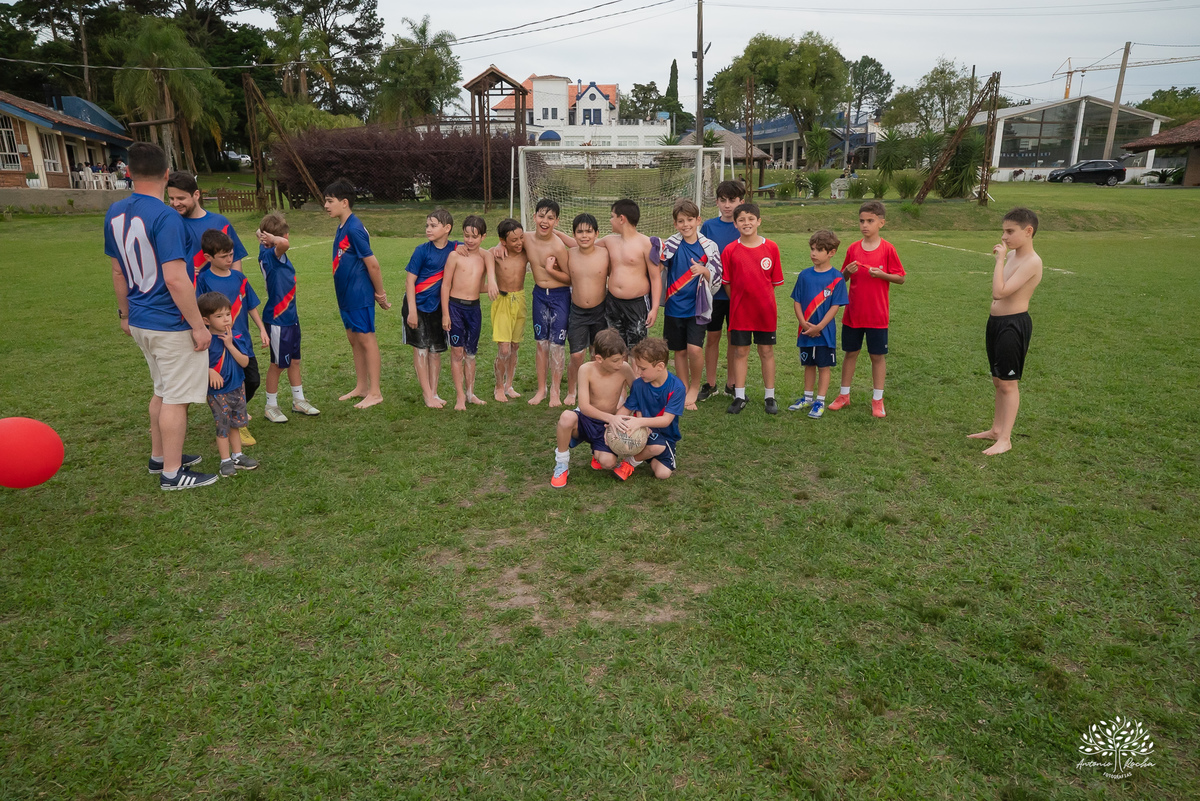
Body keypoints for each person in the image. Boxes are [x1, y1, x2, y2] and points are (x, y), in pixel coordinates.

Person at [104, 141, 216, 490]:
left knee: (163, 390)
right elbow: (175, 277)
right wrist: (198, 325)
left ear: (128, 173)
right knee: (176, 397)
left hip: (139, 318)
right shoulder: (166, 216)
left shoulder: (114, 213)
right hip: (168, 322)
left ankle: (160, 457)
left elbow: (118, 272)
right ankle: (172, 474)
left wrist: (124, 314)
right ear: (167, 175)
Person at [969, 207, 1043, 456]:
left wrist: (1000, 260)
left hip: (1013, 325)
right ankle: (996, 430)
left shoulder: (1032, 262)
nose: (1004, 237)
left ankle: (1006, 439)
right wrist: (1004, 259)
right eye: (1003, 231)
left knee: (1009, 384)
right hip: (996, 324)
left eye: (1010, 232)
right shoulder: (1013, 257)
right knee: (998, 380)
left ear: (1028, 231)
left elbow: (999, 292)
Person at [829, 200, 906, 418]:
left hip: (877, 316)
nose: (865, 225)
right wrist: (847, 273)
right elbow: (840, 280)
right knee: (850, 353)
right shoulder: (853, 248)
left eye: (870, 221)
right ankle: (844, 395)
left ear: (881, 223)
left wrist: (882, 275)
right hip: (853, 314)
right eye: (862, 221)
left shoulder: (888, 249)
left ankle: (877, 399)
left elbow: (900, 278)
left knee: (877, 356)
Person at [195, 229, 269, 446]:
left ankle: (237, 411)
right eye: (224, 256)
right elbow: (199, 311)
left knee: (252, 380)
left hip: (241, 342)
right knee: (227, 385)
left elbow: (251, 305)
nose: (230, 260)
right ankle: (238, 422)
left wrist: (262, 330)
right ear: (208, 258)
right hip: (218, 346)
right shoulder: (204, 280)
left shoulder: (239, 278)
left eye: (231, 255)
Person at [325, 178, 390, 409]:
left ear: (344, 202)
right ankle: (362, 386)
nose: (326, 205)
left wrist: (380, 294)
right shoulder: (342, 226)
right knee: (354, 340)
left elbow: (373, 264)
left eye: (330, 201)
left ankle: (375, 392)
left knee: (366, 339)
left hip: (358, 294)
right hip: (344, 295)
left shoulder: (354, 228)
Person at [255, 212, 320, 423]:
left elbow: (270, 238)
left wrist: (263, 235)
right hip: (278, 319)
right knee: (278, 364)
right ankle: (270, 405)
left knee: (294, 361)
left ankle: (298, 400)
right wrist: (274, 239)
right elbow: (283, 243)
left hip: (290, 317)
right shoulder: (272, 255)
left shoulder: (266, 249)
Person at [720, 202, 783, 415]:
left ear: (758, 221)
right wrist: (738, 300)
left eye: (750, 219)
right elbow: (726, 282)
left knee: (766, 351)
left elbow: (773, 282)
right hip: (740, 312)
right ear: (736, 224)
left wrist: (760, 299)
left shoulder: (771, 247)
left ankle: (770, 396)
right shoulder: (730, 250)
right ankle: (739, 396)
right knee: (740, 352)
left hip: (765, 311)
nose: (746, 223)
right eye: (741, 220)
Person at [551, 328, 635, 488]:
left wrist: (625, 414)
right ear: (599, 358)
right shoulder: (586, 370)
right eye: (615, 360)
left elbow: (638, 394)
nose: (620, 363)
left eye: (622, 358)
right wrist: (611, 418)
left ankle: (597, 453)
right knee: (566, 417)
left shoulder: (624, 368)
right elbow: (584, 406)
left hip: (606, 426)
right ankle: (561, 464)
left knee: (608, 463)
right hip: (585, 419)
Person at [660, 199, 722, 410]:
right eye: (680, 221)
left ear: (698, 220)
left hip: (698, 308)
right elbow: (658, 265)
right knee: (679, 351)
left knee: (695, 349)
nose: (686, 225)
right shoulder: (670, 245)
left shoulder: (709, 247)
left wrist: (705, 271)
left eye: (689, 220)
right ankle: (683, 387)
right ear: (675, 224)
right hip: (674, 306)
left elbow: (717, 278)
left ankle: (695, 386)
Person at [197, 291, 259, 478]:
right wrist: (209, 370)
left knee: (236, 423)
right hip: (217, 393)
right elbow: (194, 364)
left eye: (227, 314)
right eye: (219, 316)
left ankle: (237, 455)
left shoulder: (237, 336)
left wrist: (230, 345)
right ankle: (225, 460)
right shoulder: (204, 341)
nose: (225, 319)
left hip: (237, 388)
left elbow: (245, 363)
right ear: (206, 321)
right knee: (222, 425)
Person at [788, 229, 848, 419]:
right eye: (812, 249)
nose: (813, 253)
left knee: (823, 366)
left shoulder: (837, 278)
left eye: (819, 250)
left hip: (824, 333)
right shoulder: (804, 275)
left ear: (831, 252)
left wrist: (819, 326)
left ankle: (820, 401)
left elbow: (835, 306)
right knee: (808, 365)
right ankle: (807, 398)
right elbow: (796, 300)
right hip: (805, 331)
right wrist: (803, 323)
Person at [403, 208, 460, 408]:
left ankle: (434, 393)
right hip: (416, 306)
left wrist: (497, 249)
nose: (428, 229)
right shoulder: (421, 251)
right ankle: (427, 395)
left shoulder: (455, 248)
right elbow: (409, 282)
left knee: (435, 351)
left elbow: (476, 248)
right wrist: (411, 311)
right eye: (427, 225)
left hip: (438, 308)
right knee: (421, 349)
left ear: (447, 228)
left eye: (433, 225)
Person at [441, 215, 498, 410]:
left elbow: (490, 275)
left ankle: (470, 393)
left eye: (474, 236)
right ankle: (459, 397)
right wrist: (445, 314)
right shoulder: (455, 256)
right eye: (466, 236)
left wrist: (492, 282)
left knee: (471, 353)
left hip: (474, 309)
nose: (470, 240)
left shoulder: (486, 256)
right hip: (455, 308)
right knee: (457, 352)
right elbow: (445, 285)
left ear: (483, 237)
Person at [611, 337, 686, 481]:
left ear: (660, 366)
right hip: (642, 434)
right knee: (656, 448)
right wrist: (614, 422)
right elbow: (626, 409)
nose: (638, 372)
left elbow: (666, 420)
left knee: (662, 473)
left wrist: (640, 422)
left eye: (643, 368)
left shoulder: (677, 388)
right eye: (637, 367)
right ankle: (630, 463)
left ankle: (639, 456)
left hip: (665, 437)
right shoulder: (639, 385)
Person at [520, 199, 572, 407]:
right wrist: (498, 246)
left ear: (556, 222)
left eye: (550, 218)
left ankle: (555, 392)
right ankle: (542, 389)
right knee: (541, 343)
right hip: (539, 295)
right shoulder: (526, 239)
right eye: (541, 216)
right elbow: (507, 241)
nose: (544, 221)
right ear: (534, 217)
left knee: (557, 345)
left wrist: (551, 271)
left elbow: (570, 278)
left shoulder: (558, 247)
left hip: (560, 296)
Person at [699, 179, 745, 400]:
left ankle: (732, 384)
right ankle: (710, 384)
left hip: (737, 294)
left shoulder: (745, 225)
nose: (728, 205)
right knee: (713, 338)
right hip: (714, 294)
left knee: (734, 340)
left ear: (741, 201)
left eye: (733, 200)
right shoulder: (708, 226)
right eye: (723, 200)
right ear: (716, 201)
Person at [600, 199, 661, 353]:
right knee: (614, 348)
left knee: (637, 350)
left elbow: (655, 278)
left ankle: (635, 377)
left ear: (622, 219)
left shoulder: (646, 243)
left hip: (637, 305)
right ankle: (620, 378)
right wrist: (556, 234)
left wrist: (654, 309)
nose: (610, 220)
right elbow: (581, 245)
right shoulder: (609, 241)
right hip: (613, 303)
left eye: (612, 216)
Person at [166, 171, 250, 280]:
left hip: (218, 294)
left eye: (181, 198)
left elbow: (235, 260)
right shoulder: (169, 224)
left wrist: (233, 285)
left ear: (196, 194)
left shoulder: (220, 223)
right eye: (172, 199)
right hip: (188, 293)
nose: (176, 203)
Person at [564, 213, 611, 406]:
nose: (584, 236)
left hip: (601, 310)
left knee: (596, 354)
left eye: (589, 232)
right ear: (574, 235)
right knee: (577, 355)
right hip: (577, 311)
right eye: (580, 232)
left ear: (597, 233)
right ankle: (571, 390)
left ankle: (594, 390)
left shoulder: (605, 254)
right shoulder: (569, 254)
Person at [490, 219, 528, 402]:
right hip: (503, 301)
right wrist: (498, 245)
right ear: (503, 240)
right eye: (514, 240)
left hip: (520, 300)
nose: (519, 242)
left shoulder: (525, 252)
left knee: (514, 346)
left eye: (521, 238)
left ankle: (509, 385)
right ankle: (498, 386)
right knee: (504, 349)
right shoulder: (496, 254)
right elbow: (477, 252)